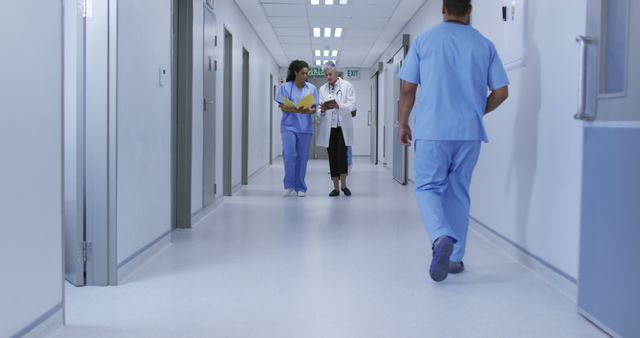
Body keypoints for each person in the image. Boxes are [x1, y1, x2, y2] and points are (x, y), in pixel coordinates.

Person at [398, 0, 509, 282]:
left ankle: (439, 237)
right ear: (470, 10)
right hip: (469, 134)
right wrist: (475, 112)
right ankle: (456, 258)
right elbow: (501, 92)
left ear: (443, 9)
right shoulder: (485, 44)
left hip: (432, 130)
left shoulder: (425, 41)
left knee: (427, 187)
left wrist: (402, 123)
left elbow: (408, 88)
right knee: (459, 190)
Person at [275, 60, 319, 197]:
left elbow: (314, 108)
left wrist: (308, 111)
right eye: (302, 73)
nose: (305, 76)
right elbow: (282, 107)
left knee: (302, 157)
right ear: (295, 73)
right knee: (289, 155)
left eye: (307, 73)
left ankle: (300, 186)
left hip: (305, 128)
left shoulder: (311, 89)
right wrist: (294, 109)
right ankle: (289, 185)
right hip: (289, 126)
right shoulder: (285, 87)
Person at [317, 61, 356, 197]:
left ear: (336, 73)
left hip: (342, 126)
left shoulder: (347, 86)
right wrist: (321, 110)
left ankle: (344, 186)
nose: (328, 77)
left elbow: (352, 105)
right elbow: (318, 108)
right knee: (332, 156)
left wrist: (339, 106)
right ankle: (335, 188)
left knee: (342, 155)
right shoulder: (322, 89)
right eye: (326, 75)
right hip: (329, 127)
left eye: (330, 74)